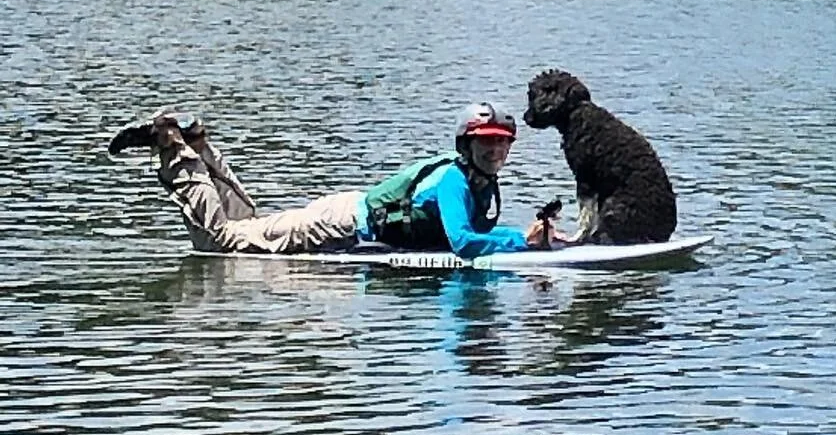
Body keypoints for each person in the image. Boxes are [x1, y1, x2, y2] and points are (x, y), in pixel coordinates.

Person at [107, 102, 551, 259]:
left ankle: (199, 143)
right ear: (466, 145)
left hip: (345, 211)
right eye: (485, 142)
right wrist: (522, 243)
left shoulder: (478, 180)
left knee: (248, 227)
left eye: (502, 142)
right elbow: (463, 243)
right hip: (338, 225)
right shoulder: (456, 180)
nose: (496, 150)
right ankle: (171, 144)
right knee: (219, 242)